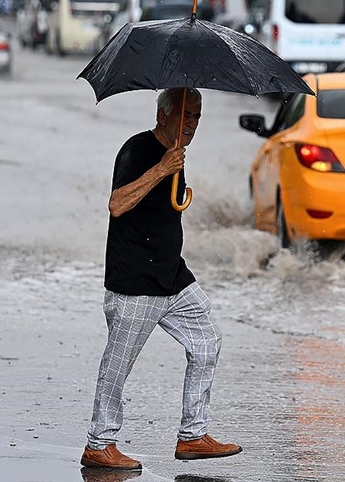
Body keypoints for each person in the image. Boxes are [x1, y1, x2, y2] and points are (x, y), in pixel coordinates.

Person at [80, 88, 242, 471]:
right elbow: (117, 203)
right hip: (135, 280)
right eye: (185, 115)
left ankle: (193, 436)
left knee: (207, 342)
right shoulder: (138, 150)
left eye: (197, 117)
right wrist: (161, 171)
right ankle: (98, 444)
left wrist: (174, 174)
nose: (191, 124)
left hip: (172, 275)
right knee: (117, 365)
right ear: (162, 115)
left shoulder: (176, 157)